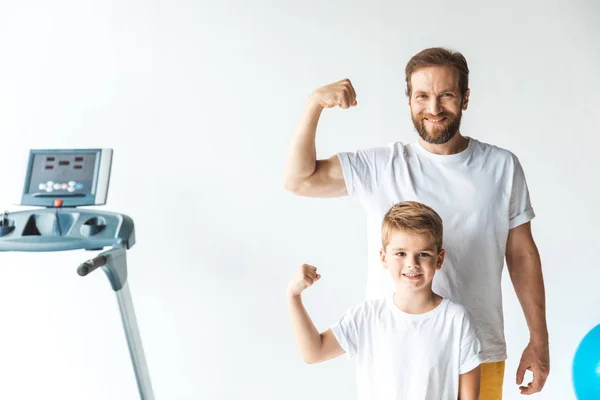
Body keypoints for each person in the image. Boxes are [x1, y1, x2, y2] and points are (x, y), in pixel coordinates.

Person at [283, 47, 549, 399]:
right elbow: (298, 180)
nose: (434, 108)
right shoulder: (380, 166)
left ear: (465, 99)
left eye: (447, 95)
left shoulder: (501, 167)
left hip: (479, 351)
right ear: (409, 100)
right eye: (422, 96)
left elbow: (521, 255)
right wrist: (315, 104)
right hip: (396, 362)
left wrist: (538, 339)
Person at [287, 201, 484, 400]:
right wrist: (293, 296)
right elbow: (314, 352)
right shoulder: (366, 317)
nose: (412, 264)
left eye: (423, 254)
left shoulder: (456, 321)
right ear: (383, 257)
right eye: (400, 253)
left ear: (439, 259)